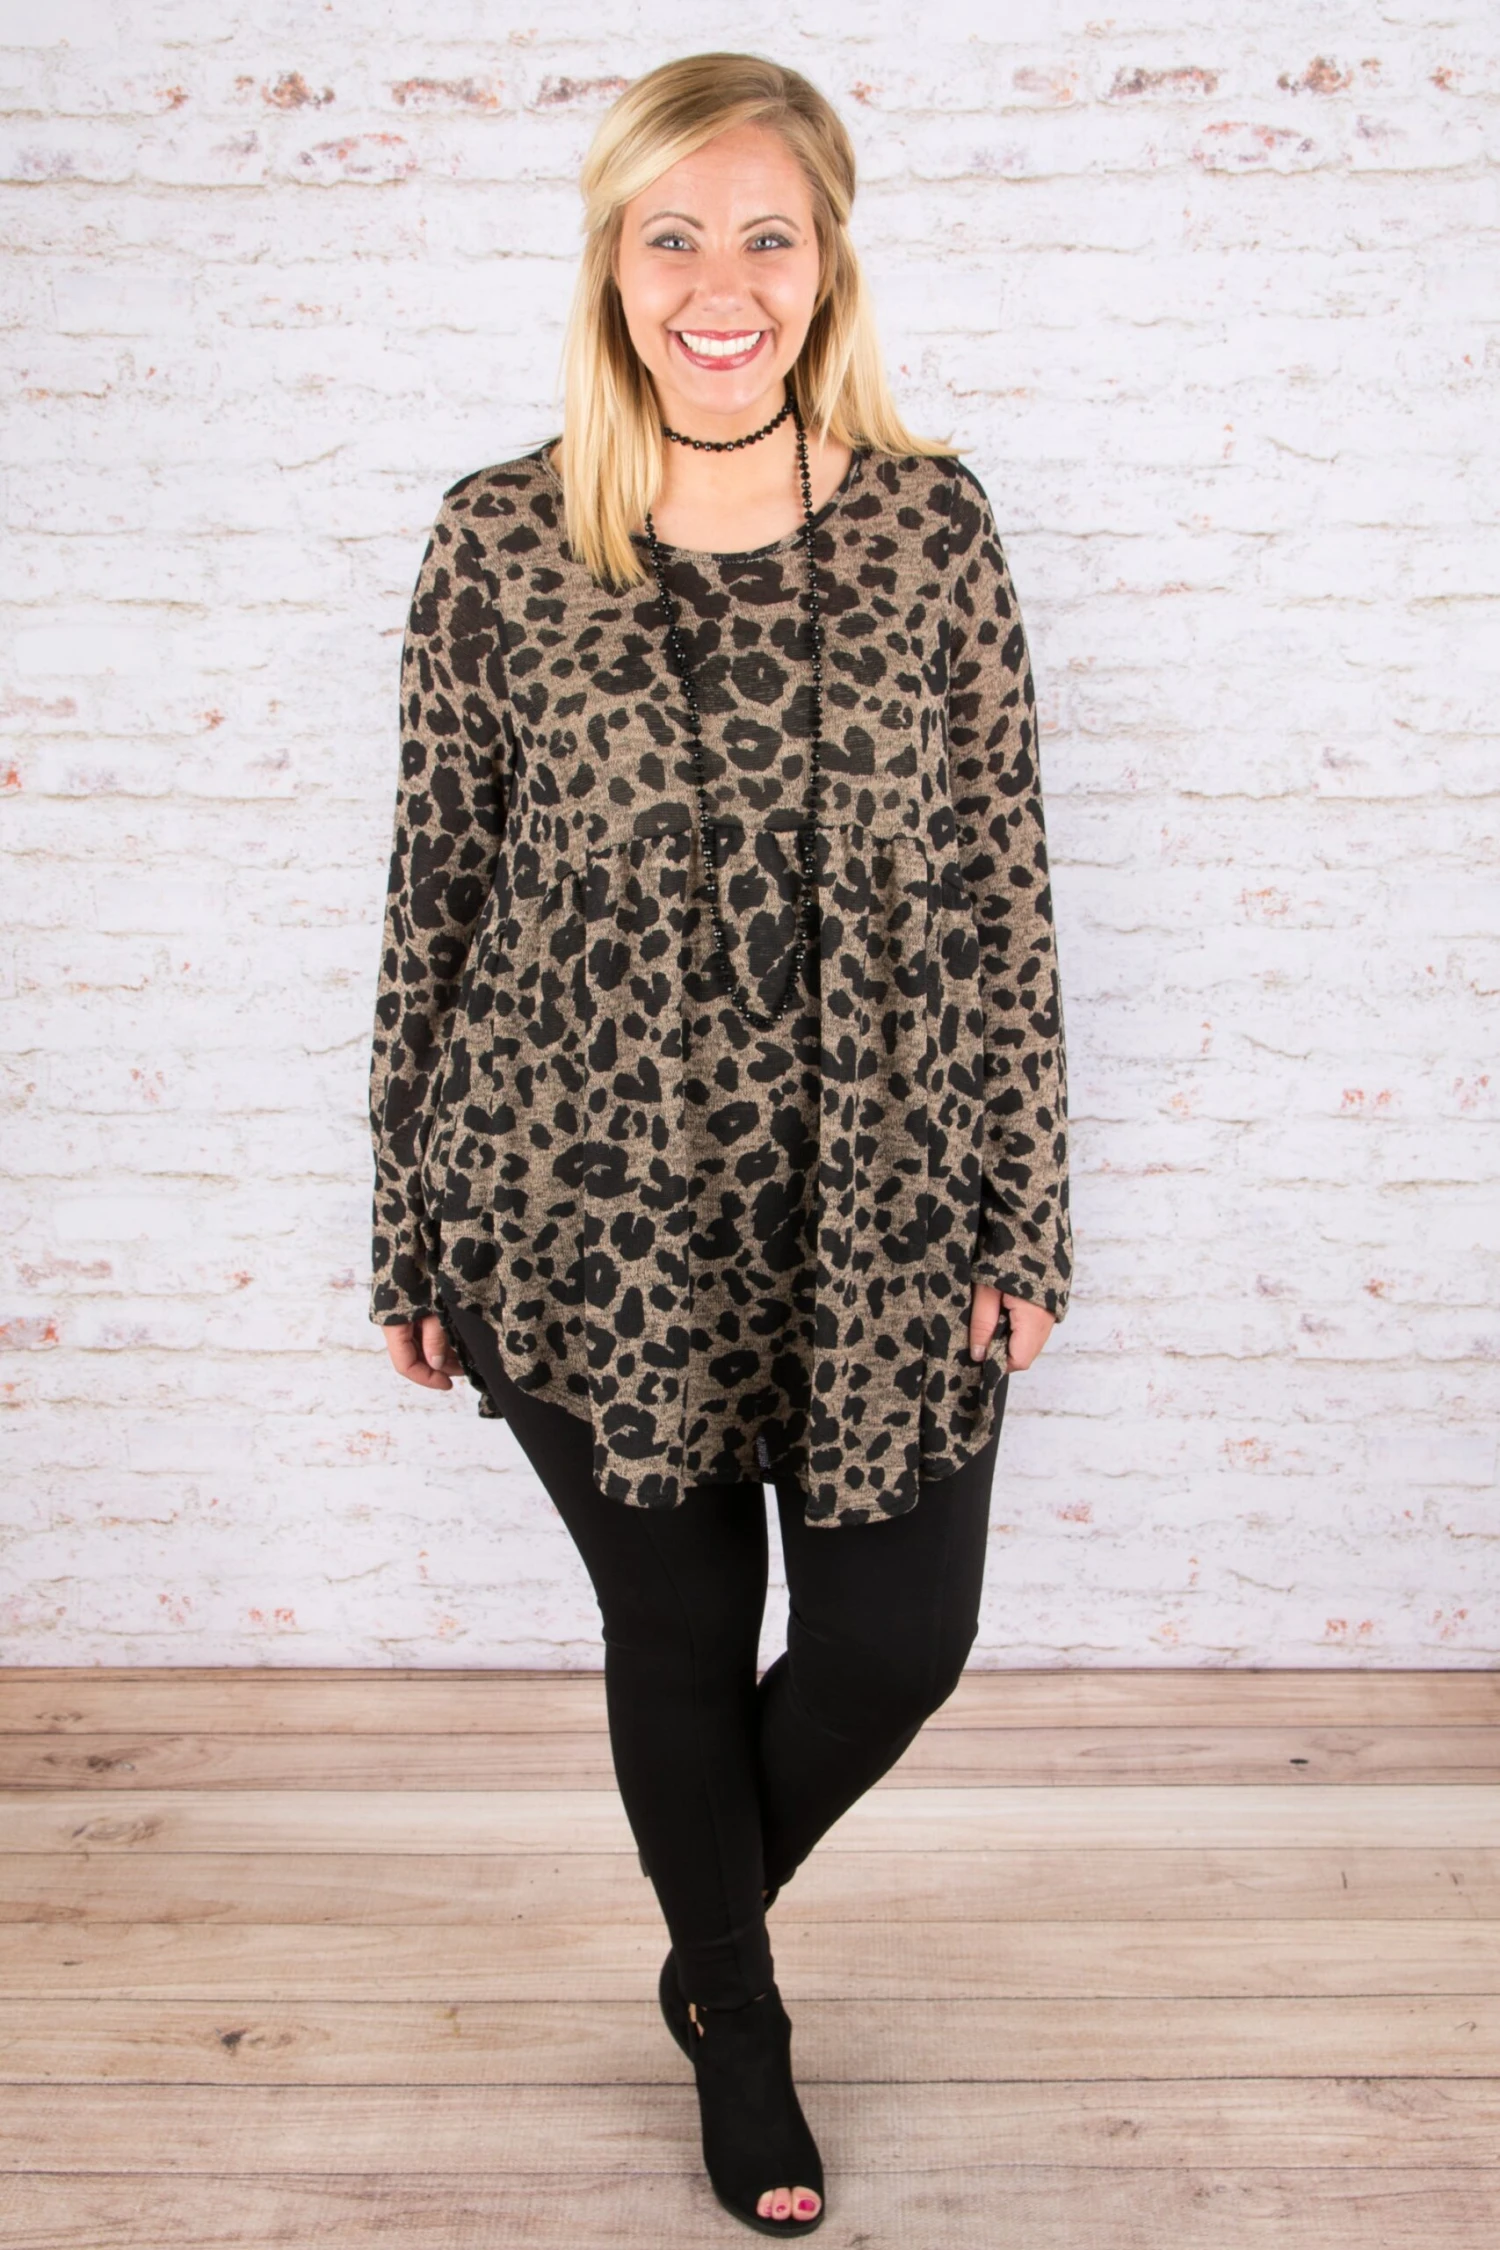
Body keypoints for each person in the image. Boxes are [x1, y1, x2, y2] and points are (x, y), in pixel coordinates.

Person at [367, 51, 1071, 2237]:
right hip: (574, 1208)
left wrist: (1026, 1211)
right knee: (674, 1639)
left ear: (828, 260)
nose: (720, 282)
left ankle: (698, 1936)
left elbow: (1004, 890)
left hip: (884, 1202)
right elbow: (434, 895)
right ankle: (742, 2026)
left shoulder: (932, 528)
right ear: (612, 262)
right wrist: (405, 1227)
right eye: (672, 234)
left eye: (767, 233)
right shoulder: (501, 538)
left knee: (893, 1641)